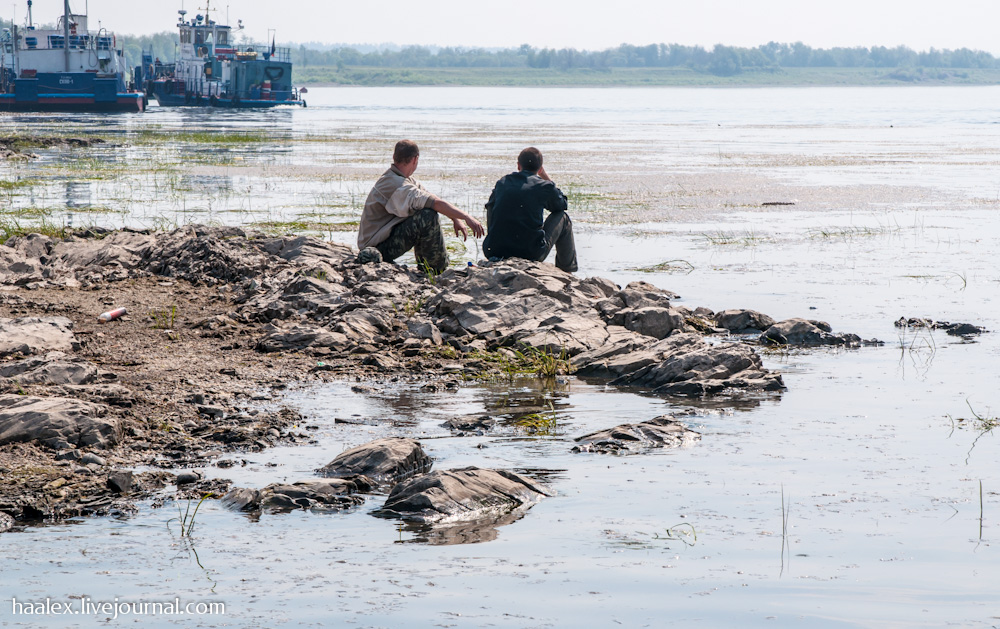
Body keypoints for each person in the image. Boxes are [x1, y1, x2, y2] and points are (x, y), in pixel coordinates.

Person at [358, 140, 484, 273]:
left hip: (381, 243)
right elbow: (434, 203)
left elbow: (431, 197)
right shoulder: (395, 183)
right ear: (415, 159)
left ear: (394, 157)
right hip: (374, 250)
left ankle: (429, 266)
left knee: (426, 210)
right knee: (427, 215)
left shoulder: (402, 178)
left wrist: (455, 218)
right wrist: (467, 217)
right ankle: (435, 268)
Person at [482, 147, 578, 273]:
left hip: (494, 250)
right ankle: (567, 269)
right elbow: (561, 205)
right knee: (562, 217)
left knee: (492, 204)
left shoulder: (503, 182)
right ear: (540, 168)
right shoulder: (545, 186)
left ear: (518, 165)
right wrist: (545, 177)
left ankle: (496, 240)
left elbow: (490, 208)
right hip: (531, 253)